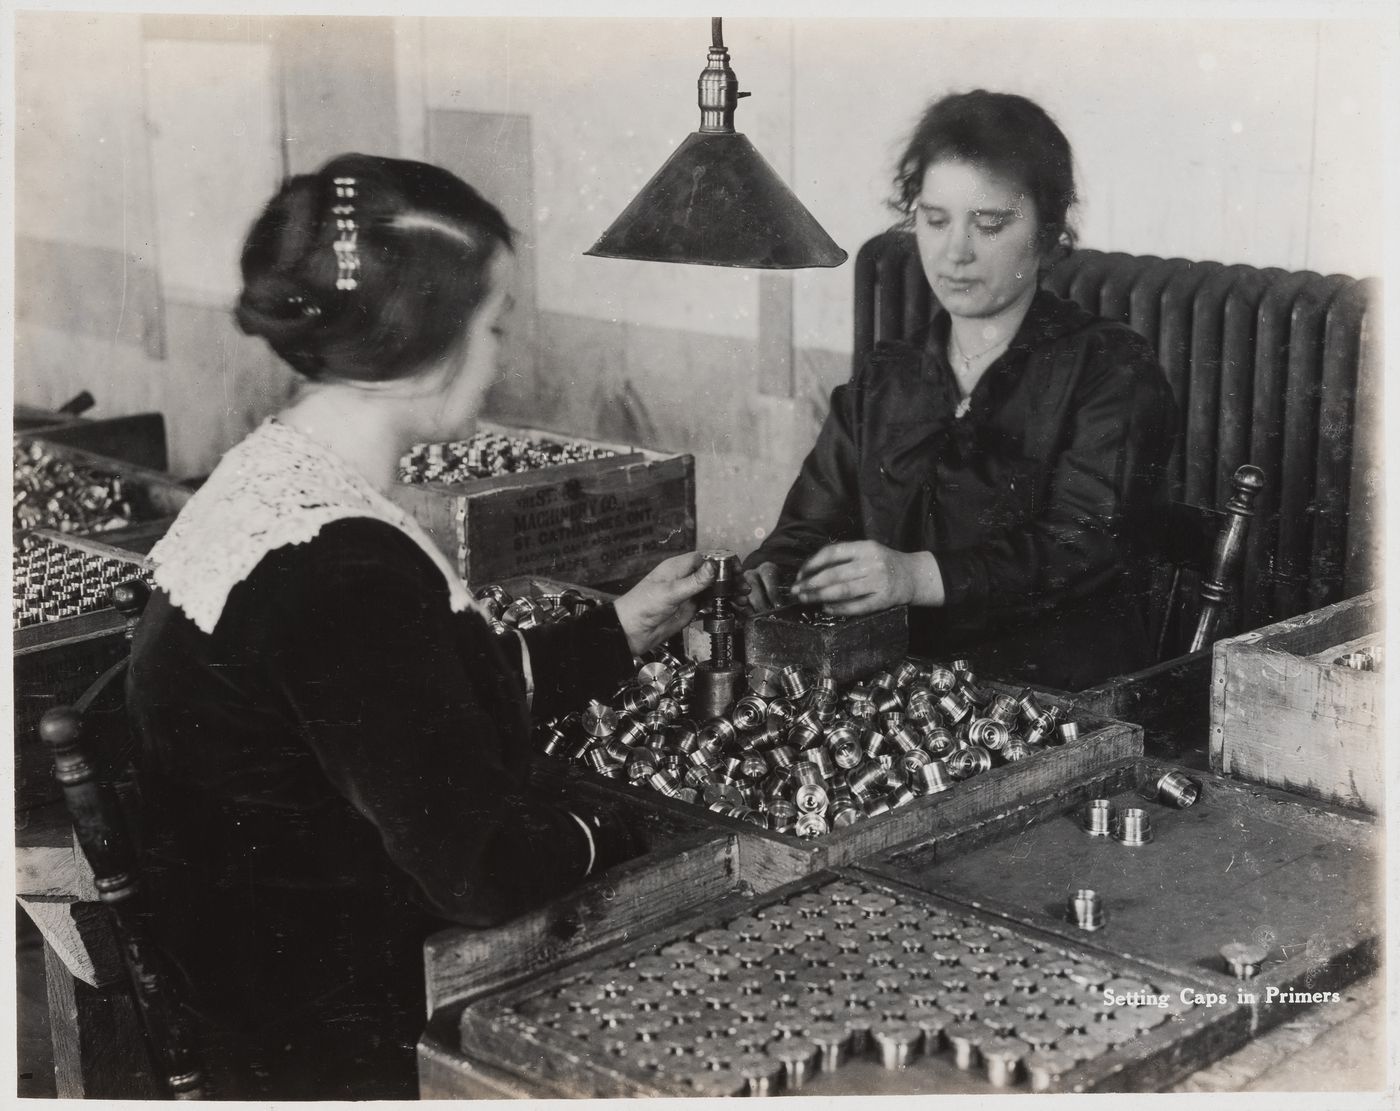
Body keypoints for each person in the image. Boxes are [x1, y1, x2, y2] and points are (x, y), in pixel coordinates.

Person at [126, 153, 713, 1099]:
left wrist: (616, 630)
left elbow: (404, 698)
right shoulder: (345, 565)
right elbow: (481, 871)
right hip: (333, 1028)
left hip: (254, 959)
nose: (500, 358)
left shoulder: (278, 479)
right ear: (423, 343)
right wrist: (620, 835)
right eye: (492, 328)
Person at [743, 90, 1177, 692]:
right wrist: (772, 573)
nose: (956, 253)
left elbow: (1083, 544)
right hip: (894, 693)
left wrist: (916, 576)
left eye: (991, 223)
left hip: (1054, 701)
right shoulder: (887, 375)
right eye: (935, 219)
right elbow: (805, 530)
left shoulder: (1110, 369)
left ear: (1049, 233)